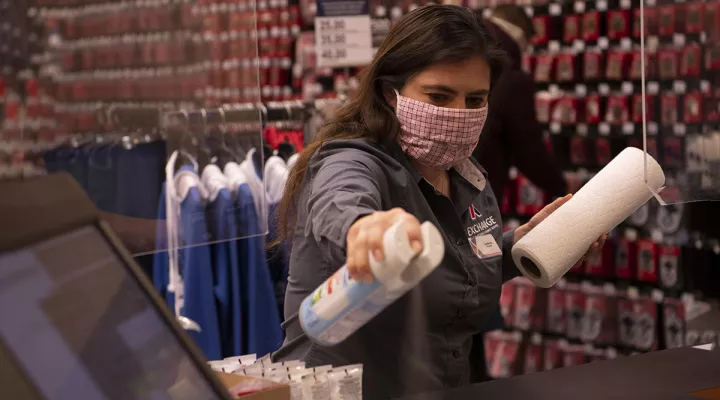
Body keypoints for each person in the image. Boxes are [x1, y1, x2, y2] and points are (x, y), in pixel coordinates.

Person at [272, 5, 604, 399]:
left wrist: (519, 247)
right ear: (389, 93)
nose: (457, 114)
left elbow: (447, 271)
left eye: (474, 99)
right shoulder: (352, 161)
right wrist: (363, 228)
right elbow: (339, 201)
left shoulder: (465, 175)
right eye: (438, 95)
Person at [473, 5, 578, 204]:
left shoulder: (468, 59)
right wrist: (563, 188)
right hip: (482, 192)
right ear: (521, 38)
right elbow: (528, 151)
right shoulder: (512, 79)